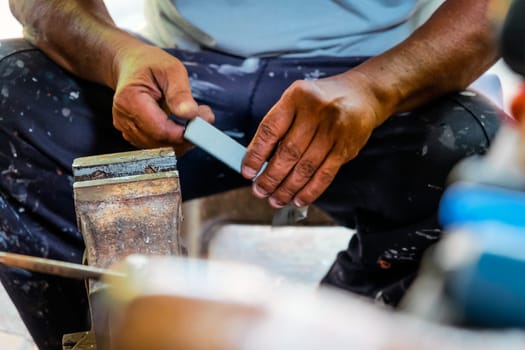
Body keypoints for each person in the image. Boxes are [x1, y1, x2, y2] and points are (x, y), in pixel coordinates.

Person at [0, 0, 503, 348]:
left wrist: (377, 88)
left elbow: (490, 16)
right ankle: (110, 334)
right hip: (179, 71)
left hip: (372, 71)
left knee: (481, 157)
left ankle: (352, 328)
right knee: (10, 96)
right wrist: (116, 56)